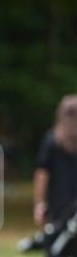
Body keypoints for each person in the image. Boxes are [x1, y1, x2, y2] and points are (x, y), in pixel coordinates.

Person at [33, 94, 77, 227]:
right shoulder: (52, 141)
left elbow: (42, 173)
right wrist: (40, 204)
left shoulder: (51, 139)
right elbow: (42, 173)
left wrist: (39, 203)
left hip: (58, 206)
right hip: (59, 207)